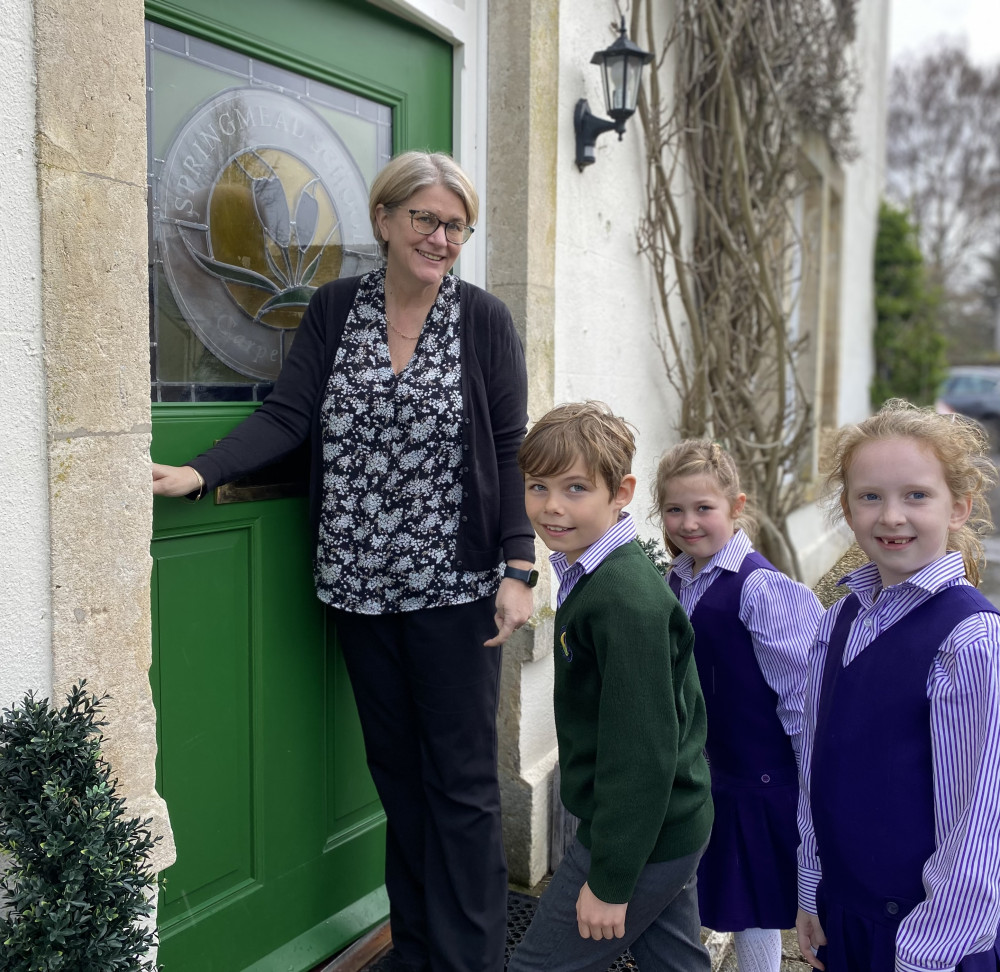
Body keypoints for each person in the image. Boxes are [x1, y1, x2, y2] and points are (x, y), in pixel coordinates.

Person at [151, 151, 535, 972]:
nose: (441, 238)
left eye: (456, 226)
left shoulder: (484, 321)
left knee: (461, 788)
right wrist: (202, 470)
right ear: (386, 221)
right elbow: (289, 413)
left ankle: (471, 962)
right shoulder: (333, 309)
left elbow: (507, 449)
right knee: (398, 777)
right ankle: (420, 947)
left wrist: (518, 568)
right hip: (357, 584)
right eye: (426, 220)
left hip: (454, 585)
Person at [507, 401, 714, 972]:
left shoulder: (625, 602)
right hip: (665, 826)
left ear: (619, 492)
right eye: (538, 486)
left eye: (576, 488)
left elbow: (642, 754)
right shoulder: (592, 572)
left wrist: (611, 882)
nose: (551, 506)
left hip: (639, 838)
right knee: (674, 961)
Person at [795, 400, 1000, 972]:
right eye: (870, 496)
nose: (891, 517)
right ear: (846, 507)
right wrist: (813, 889)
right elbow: (816, 762)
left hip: (925, 937)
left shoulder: (969, 640)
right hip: (846, 916)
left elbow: (979, 819)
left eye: (916, 495)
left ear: (957, 507)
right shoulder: (840, 619)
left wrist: (925, 951)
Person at [654, 440, 821, 972]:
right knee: (716, 895)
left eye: (704, 508)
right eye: (675, 510)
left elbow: (802, 698)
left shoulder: (762, 590)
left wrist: (812, 789)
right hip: (709, 771)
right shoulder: (677, 576)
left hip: (758, 779)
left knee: (756, 910)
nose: (688, 522)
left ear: (736, 506)